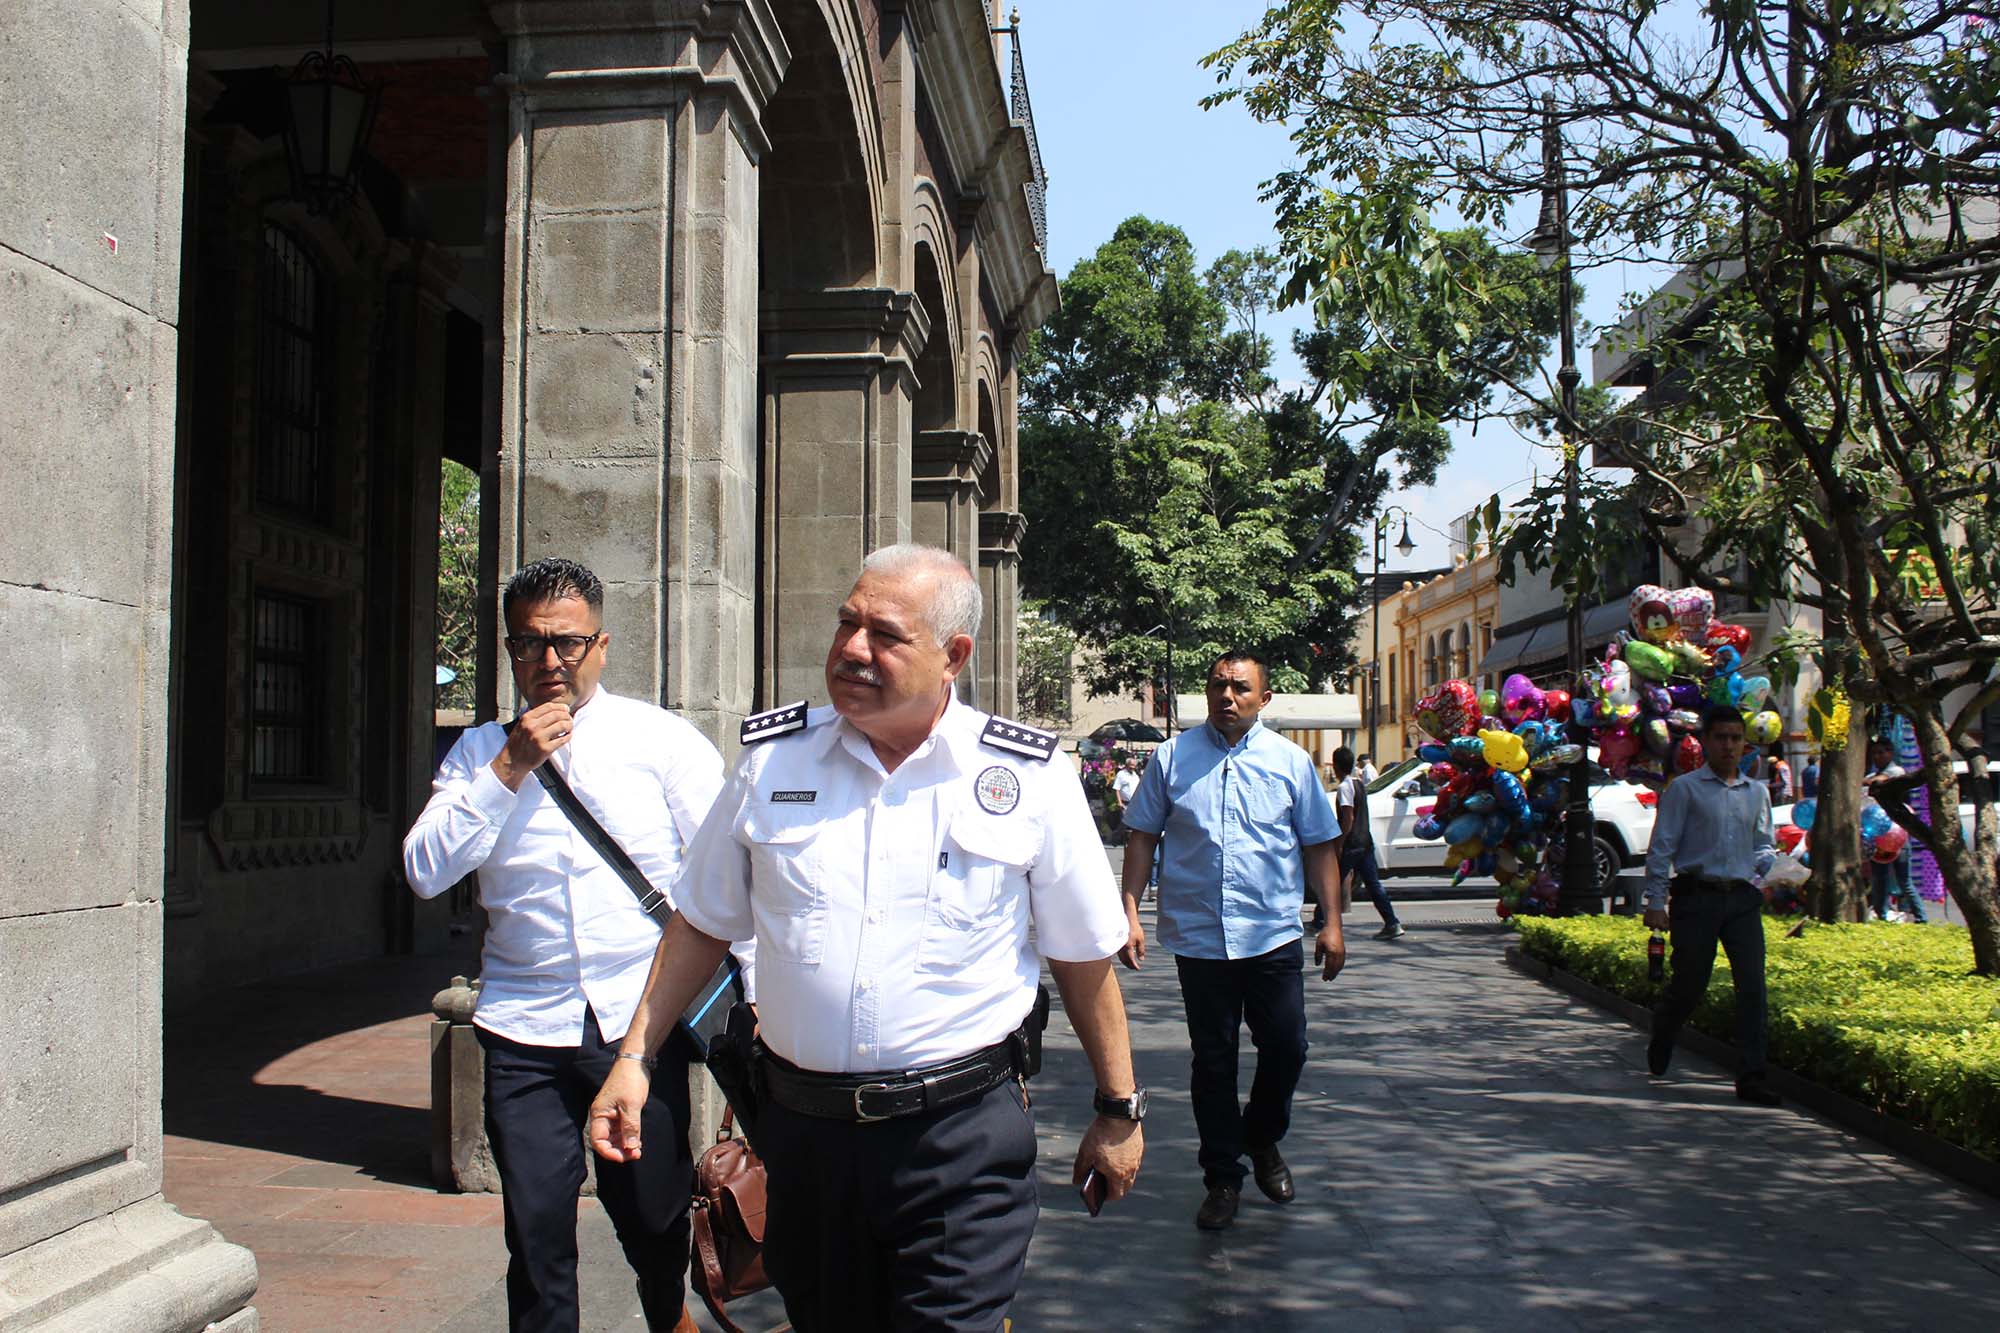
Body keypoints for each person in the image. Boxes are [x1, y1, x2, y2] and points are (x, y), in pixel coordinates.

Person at [588, 544, 1142, 1332]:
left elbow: (1084, 956)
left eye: (884, 634)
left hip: (960, 1140)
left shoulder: (1028, 777)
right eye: (847, 622)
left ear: (954, 656)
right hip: (805, 1140)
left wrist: (1119, 1107)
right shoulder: (772, 760)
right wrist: (634, 1059)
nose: (851, 648)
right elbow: (699, 924)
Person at [402, 557, 730, 1332]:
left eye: (567, 643)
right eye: (529, 645)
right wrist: (508, 767)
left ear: (601, 645)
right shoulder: (479, 752)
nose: (549, 662)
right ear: (510, 650)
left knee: (652, 1215)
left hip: (636, 1026)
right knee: (537, 1230)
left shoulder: (660, 741)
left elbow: (725, 874)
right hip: (523, 1026)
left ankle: (665, 1304)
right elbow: (423, 870)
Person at [1117, 649, 1346, 1231]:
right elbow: (1142, 835)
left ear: (1263, 699)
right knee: (1213, 1060)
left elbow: (1321, 844)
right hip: (1199, 938)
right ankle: (1222, 1175)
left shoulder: (1291, 763)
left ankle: (1263, 1138)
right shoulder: (1173, 758)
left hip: (1271, 934)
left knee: (1288, 1047)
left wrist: (1333, 921)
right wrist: (1130, 911)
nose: (1227, 696)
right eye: (1218, 685)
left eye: (1241, 688)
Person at [1642, 704, 1781, 1106]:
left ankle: (1752, 1077)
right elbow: (1662, 847)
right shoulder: (1684, 789)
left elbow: (1764, 842)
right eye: (1721, 737)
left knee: (1752, 988)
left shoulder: (1757, 792)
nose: (1729, 746)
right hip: (1695, 897)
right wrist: (1655, 901)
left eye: (1736, 738)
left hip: (1741, 899)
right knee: (1690, 984)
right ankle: (1664, 1030)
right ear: (1704, 742)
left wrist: (1766, 870)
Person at [1328, 746, 1403, 940]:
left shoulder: (1345, 787)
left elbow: (1348, 817)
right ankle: (1392, 922)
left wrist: (1340, 842)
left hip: (1352, 843)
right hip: (1365, 841)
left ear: (1336, 767)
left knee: (1333, 882)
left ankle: (1321, 920)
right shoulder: (1359, 783)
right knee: (1373, 884)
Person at [1864, 738, 1927, 924]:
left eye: (1881, 752)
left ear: (1890, 753)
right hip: (1878, 835)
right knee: (1880, 878)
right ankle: (1882, 914)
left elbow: (1880, 781)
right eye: (1874, 753)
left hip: (1897, 834)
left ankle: (1921, 918)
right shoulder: (1875, 773)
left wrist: (1865, 780)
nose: (1877, 756)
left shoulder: (1895, 771)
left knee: (1904, 880)